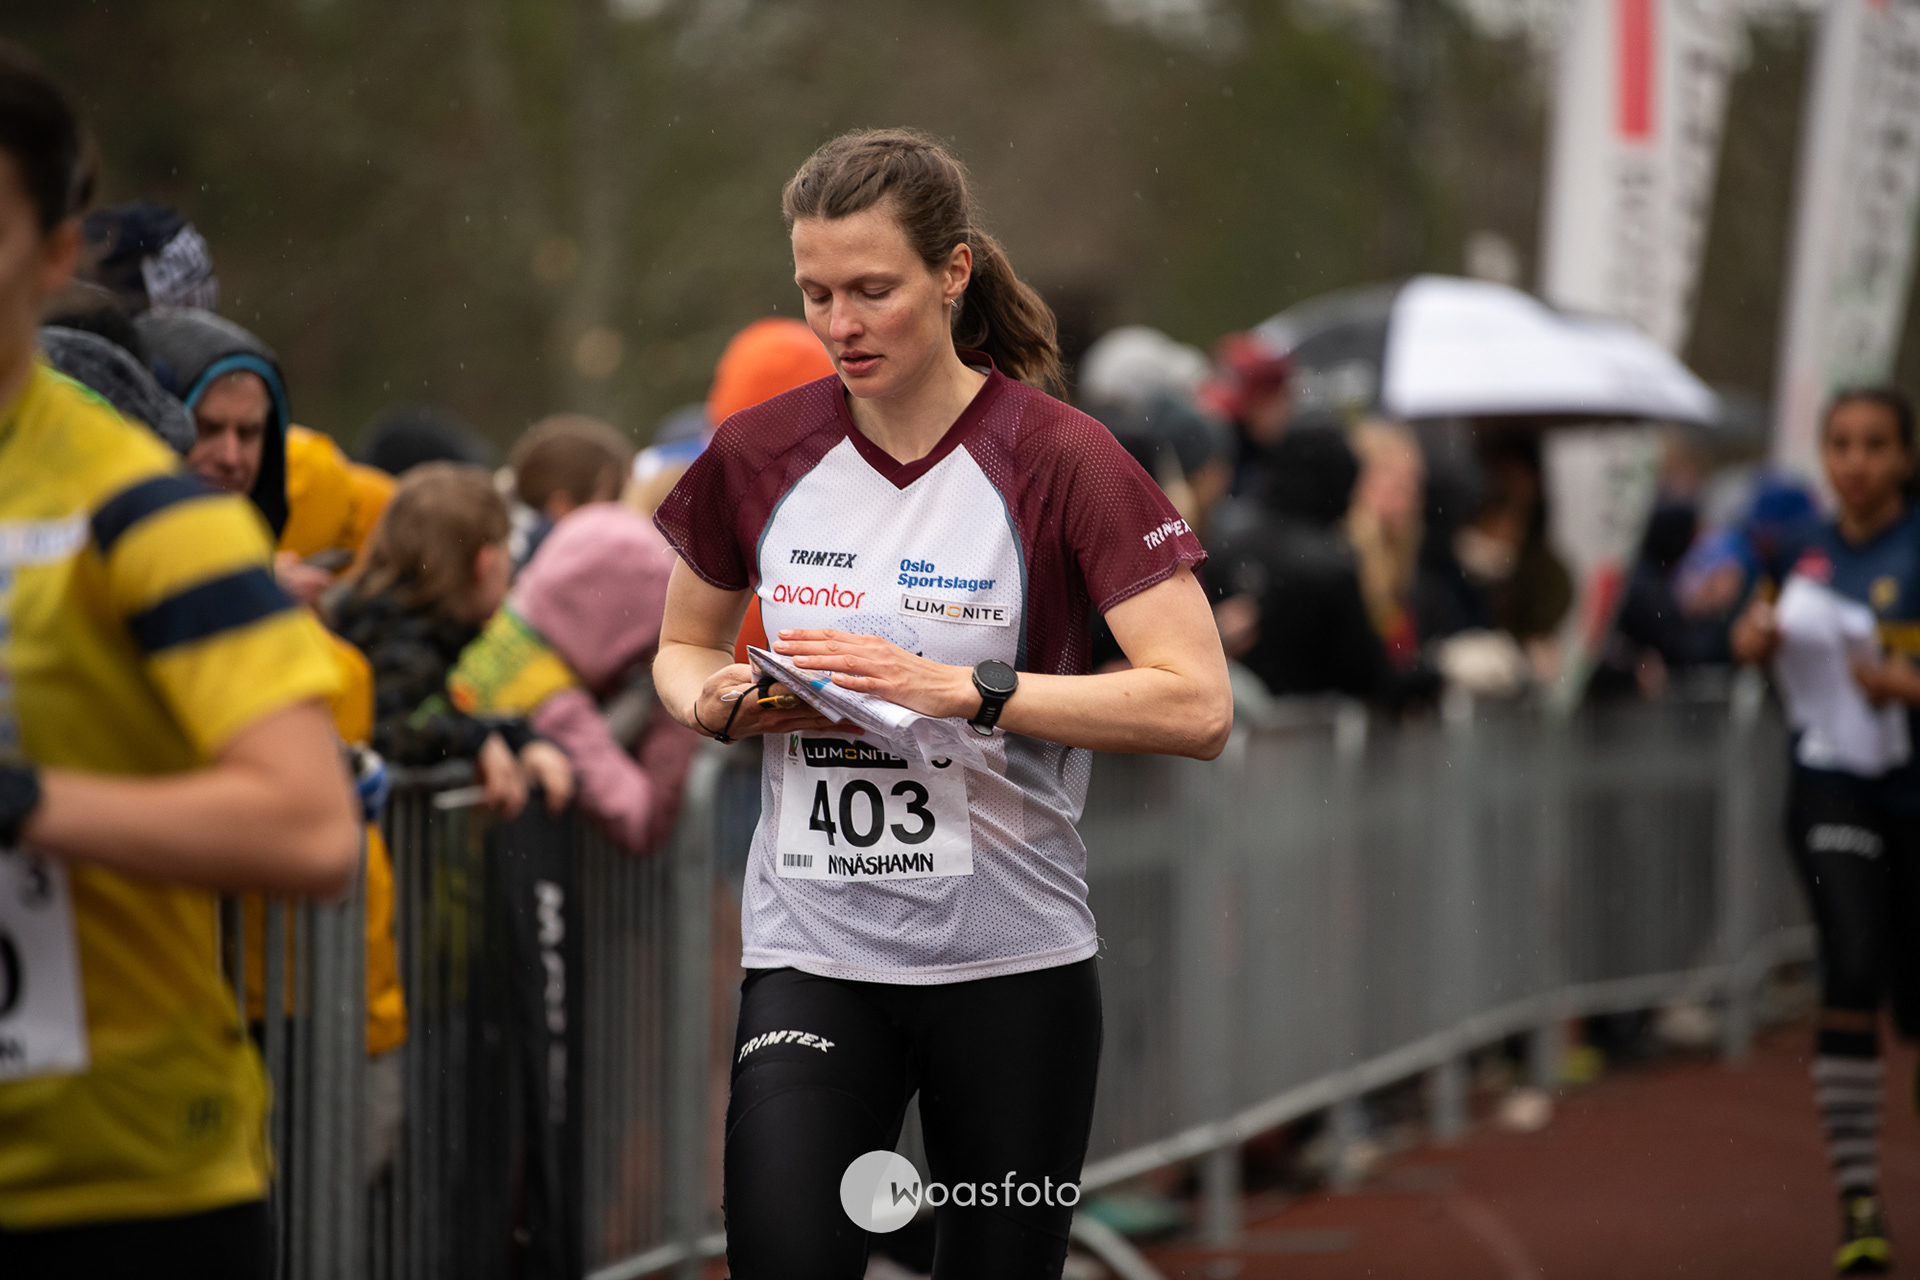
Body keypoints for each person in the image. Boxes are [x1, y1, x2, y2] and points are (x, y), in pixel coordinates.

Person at [650, 127, 1231, 1279]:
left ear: (953, 271)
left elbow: (1198, 704)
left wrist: (969, 691)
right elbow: (681, 644)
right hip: (815, 952)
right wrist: (717, 705)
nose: (841, 323)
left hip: (1011, 965)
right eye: (816, 292)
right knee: (785, 1258)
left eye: (873, 289)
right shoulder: (758, 452)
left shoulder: (1063, 458)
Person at [0, 46, 359, 1277]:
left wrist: (27, 802)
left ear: (53, 255)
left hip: (115, 1184)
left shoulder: (148, 514)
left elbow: (310, 829)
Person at [1730, 388, 1920, 1275]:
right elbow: (1750, 633)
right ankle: (1858, 1200)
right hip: (1830, 785)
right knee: (1849, 963)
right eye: (1840, 444)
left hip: (1914, 790)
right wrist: (1751, 639)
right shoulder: (1799, 551)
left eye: (1875, 445)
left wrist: (1905, 686)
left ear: (1905, 457)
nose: (1856, 462)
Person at [448, 502, 702, 853]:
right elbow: (637, 817)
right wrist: (675, 712)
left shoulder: (491, 643)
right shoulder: (553, 703)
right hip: (481, 876)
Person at [326, 462, 573, 816]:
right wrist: (474, 741)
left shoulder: (380, 625)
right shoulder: (402, 645)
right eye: (509, 556)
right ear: (485, 564)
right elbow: (386, 731)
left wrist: (515, 739)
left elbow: (434, 716)